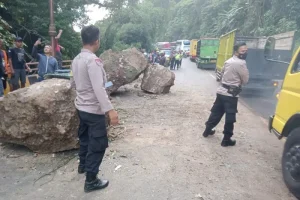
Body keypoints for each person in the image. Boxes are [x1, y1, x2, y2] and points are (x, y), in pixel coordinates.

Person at [71, 25, 119, 193]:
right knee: (97, 144)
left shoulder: (76, 59)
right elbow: (98, 88)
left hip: (81, 107)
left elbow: (75, 84)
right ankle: (91, 180)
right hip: (93, 110)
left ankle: (82, 165)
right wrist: (110, 110)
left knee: (84, 138)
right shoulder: (93, 60)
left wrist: (109, 84)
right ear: (96, 41)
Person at [202, 42, 249, 147]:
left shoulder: (228, 61)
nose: (245, 53)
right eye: (243, 51)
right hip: (231, 95)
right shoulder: (241, 63)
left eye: (246, 50)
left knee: (216, 112)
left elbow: (222, 74)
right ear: (236, 51)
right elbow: (245, 80)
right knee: (230, 117)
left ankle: (207, 130)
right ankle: (226, 140)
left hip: (221, 91)